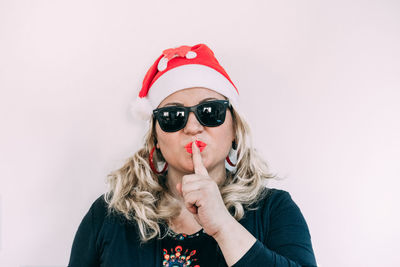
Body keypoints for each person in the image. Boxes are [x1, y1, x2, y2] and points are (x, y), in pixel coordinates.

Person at [68, 44, 317, 266]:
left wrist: (223, 226)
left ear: (234, 129)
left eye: (210, 111)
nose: (192, 127)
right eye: (173, 117)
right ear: (155, 136)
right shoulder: (109, 215)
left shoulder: (274, 210)